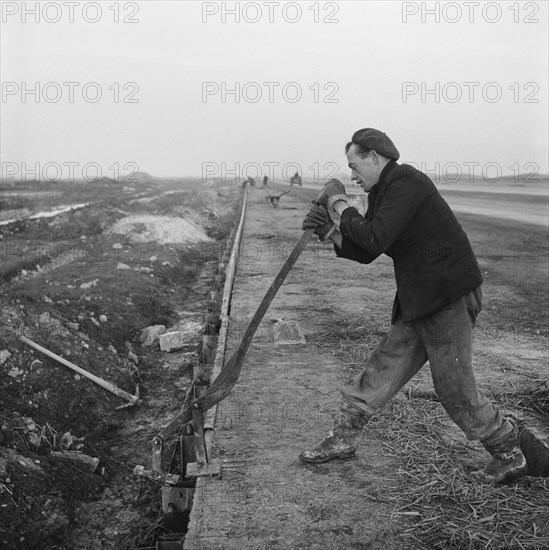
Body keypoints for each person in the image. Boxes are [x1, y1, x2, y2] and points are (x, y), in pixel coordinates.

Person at [300, 128, 527, 484]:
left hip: (446, 296)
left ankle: (509, 452)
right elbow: (368, 249)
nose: (353, 174)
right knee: (382, 368)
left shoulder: (406, 181)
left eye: (354, 165)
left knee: (454, 387)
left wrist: (339, 204)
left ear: (375, 157)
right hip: (420, 297)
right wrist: (330, 232)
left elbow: (376, 235)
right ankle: (342, 438)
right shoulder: (383, 193)